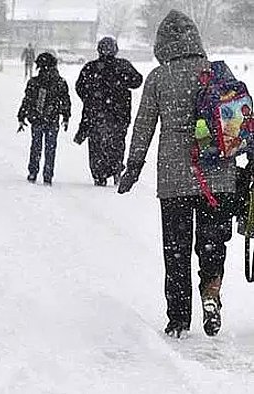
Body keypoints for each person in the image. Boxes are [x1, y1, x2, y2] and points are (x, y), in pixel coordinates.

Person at [118, 10, 234, 338]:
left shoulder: (158, 77)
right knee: (212, 243)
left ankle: (179, 318)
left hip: (174, 180)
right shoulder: (214, 73)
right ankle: (211, 294)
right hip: (218, 177)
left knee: (177, 250)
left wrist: (133, 168)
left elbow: (143, 128)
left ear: (162, 44)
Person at [75, 37, 143, 186]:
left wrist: (90, 99)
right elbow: (137, 81)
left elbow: (79, 87)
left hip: (96, 114)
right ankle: (116, 168)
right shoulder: (123, 65)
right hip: (119, 113)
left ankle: (99, 174)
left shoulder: (90, 68)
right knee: (117, 143)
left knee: (96, 145)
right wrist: (121, 83)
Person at [17, 52, 71, 186]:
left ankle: (33, 172)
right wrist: (65, 116)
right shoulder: (60, 82)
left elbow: (27, 100)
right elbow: (65, 100)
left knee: (36, 146)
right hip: (52, 119)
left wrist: (22, 115)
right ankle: (48, 175)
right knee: (50, 148)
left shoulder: (34, 82)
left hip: (37, 118)